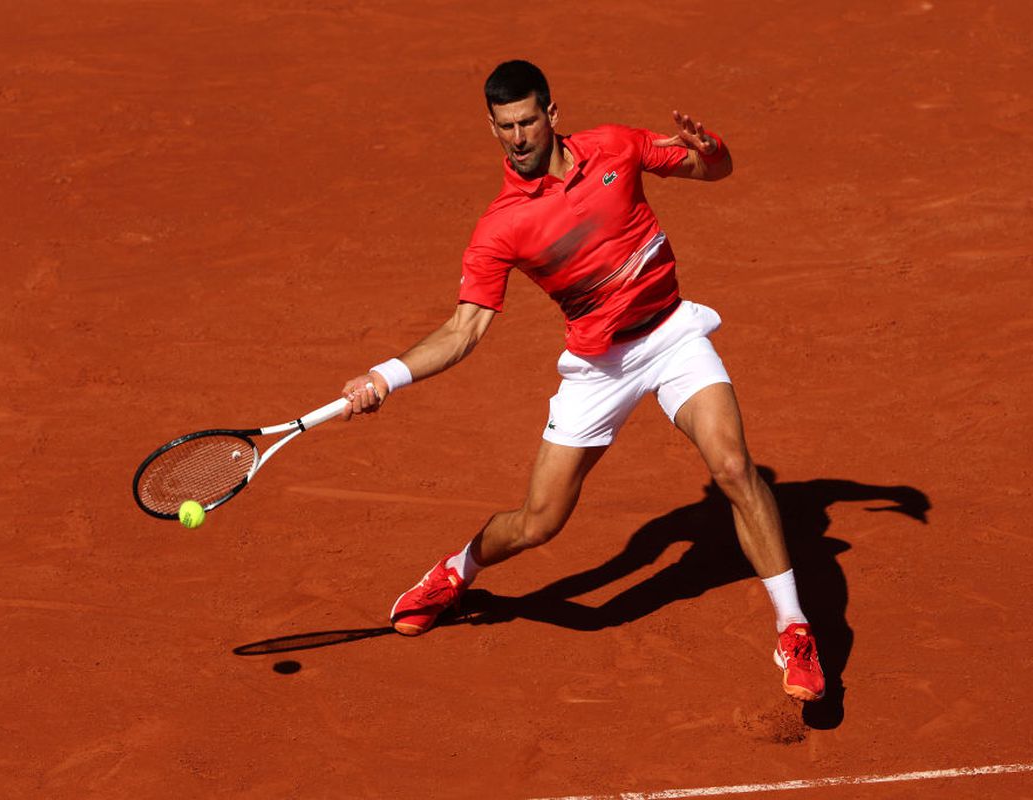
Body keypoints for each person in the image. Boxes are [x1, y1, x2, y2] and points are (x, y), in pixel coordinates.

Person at [340, 60, 824, 702]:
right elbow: (463, 332)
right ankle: (458, 572)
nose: (518, 138)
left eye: (528, 122)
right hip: (599, 367)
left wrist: (716, 152)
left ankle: (795, 631)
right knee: (540, 522)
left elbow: (713, 170)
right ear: (492, 127)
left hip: (671, 335)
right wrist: (383, 376)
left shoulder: (616, 147)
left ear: (551, 115)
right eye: (505, 127)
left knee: (734, 467)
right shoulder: (501, 227)